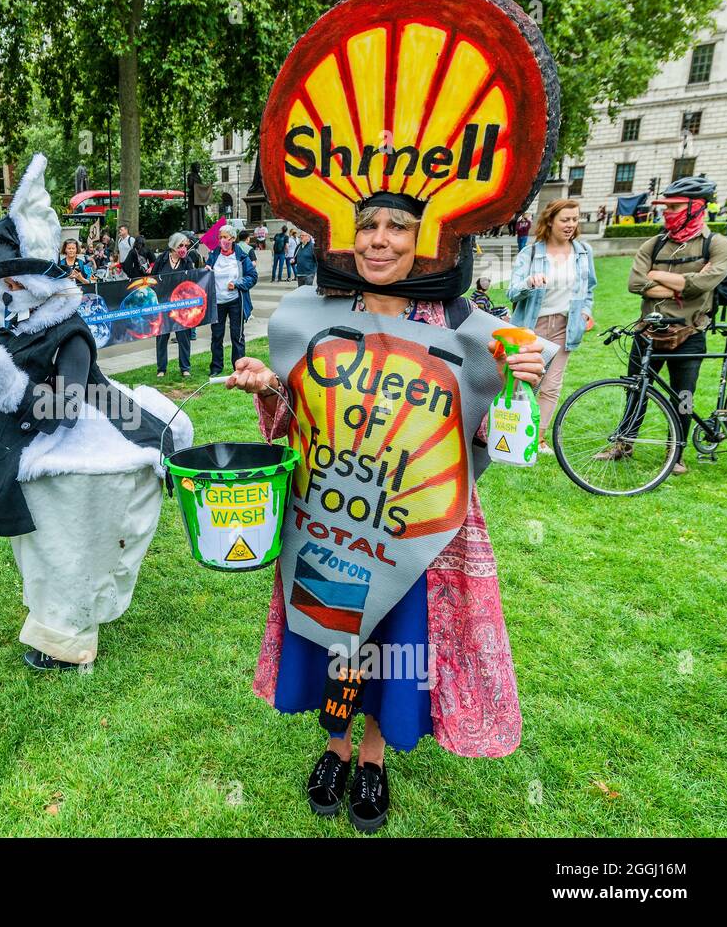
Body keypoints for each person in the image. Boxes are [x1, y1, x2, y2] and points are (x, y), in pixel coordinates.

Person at [225, 196, 546, 832]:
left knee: (390, 643)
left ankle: (372, 759)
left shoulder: (466, 325)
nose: (379, 240)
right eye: (366, 226)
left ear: (425, 239)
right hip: (330, 520)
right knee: (338, 634)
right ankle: (335, 750)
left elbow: (489, 439)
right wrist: (269, 385)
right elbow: (296, 420)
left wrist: (522, 379)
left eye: (396, 227)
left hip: (416, 532)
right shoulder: (318, 315)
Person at [0, 153, 191, 671]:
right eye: (3, 285)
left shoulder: (69, 332)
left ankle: (68, 639)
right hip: (21, 453)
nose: (4, 293)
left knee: (68, 546)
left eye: (11, 284)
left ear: (34, 285)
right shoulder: (20, 326)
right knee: (42, 549)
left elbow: (63, 404)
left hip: (74, 451)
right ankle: (52, 618)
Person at [602, 176, 727, 473]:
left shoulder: (718, 245)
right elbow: (636, 283)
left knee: (684, 396)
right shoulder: (654, 243)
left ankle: (675, 454)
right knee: (635, 389)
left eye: (674, 206)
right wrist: (686, 286)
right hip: (648, 331)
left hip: (690, 333)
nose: (667, 212)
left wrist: (659, 276)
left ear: (696, 208)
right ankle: (624, 443)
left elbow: (707, 283)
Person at [507, 199, 597, 451]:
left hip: (564, 326)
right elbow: (512, 292)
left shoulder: (583, 252)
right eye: (565, 219)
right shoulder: (532, 253)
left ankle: (538, 438)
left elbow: (589, 288)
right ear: (550, 221)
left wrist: (585, 312)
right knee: (523, 380)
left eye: (575, 219)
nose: (570, 225)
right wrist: (529, 283)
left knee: (551, 384)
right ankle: (512, 430)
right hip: (530, 326)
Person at [205, 224, 257, 376]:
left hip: (236, 301)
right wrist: (206, 271)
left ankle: (239, 368)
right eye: (220, 237)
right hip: (217, 302)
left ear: (233, 239)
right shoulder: (214, 255)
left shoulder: (241, 256)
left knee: (237, 335)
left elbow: (252, 277)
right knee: (216, 336)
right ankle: (216, 368)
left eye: (225, 238)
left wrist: (237, 284)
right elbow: (206, 275)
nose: (222, 241)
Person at [153, 232, 197, 378]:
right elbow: (153, 278)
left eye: (185, 245)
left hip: (181, 306)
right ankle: (161, 368)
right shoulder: (162, 259)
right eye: (180, 245)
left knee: (183, 337)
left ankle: (185, 368)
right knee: (162, 337)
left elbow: (194, 279)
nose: (183, 248)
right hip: (164, 304)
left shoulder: (187, 260)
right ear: (173, 246)